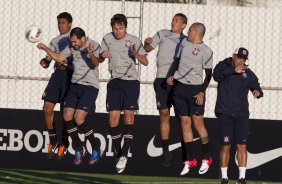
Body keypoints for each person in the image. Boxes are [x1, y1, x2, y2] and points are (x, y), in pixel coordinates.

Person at [37, 27, 102, 166]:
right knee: (67, 115)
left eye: (75, 42)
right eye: (71, 42)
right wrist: (45, 49)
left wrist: (90, 53)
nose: (73, 44)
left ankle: (96, 148)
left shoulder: (93, 45)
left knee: (78, 118)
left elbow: (96, 63)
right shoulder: (73, 47)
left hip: (90, 86)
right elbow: (60, 58)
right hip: (74, 85)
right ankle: (79, 148)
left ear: (83, 38)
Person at [99, 13, 148, 174]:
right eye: (115, 28)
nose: (118, 31)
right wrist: (101, 55)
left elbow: (145, 61)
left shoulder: (134, 40)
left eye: (121, 28)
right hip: (114, 82)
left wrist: (135, 54)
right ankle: (118, 153)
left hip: (131, 81)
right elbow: (99, 59)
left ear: (125, 27)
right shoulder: (107, 38)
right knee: (112, 117)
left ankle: (124, 155)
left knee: (128, 115)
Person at [167, 22, 213, 175]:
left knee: (198, 123)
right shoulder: (184, 44)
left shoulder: (207, 51)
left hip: (195, 90)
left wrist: (201, 92)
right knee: (184, 123)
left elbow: (208, 75)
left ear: (197, 33)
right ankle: (190, 160)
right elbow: (176, 61)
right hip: (180, 88)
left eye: (191, 30)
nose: (188, 31)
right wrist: (170, 75)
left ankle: (206, 157)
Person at [213, 47, 263, 184]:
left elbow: (255, 84)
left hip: (242, 114)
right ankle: (224, 177)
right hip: (225, 112)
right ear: (233, 56)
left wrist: (257, 91)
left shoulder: (248, 72)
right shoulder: (223, 66)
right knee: (226, 145)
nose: (241, 61)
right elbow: (216, 76)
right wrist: (232, 71)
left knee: (242, 146)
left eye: (244, 59)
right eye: (239, 58)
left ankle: (241, 178)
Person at [144, 13, 187, 167]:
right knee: (164, 114)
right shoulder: (163, 33)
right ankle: (166, 150)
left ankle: (185, 151)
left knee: (181, 117)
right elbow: (147, 49)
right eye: (172, 19)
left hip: (177, 81)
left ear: (183, 25)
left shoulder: (186, 40)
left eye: (177, 20)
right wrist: (146, 43)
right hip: (161, 79)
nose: (173, 22)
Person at [39, 12, 73, 160]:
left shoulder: (74, 37)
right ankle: (53, 140)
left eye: (63, 22)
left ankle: (64, 142)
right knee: (47, 108)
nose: (61, 25)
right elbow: (49, 59)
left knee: (65, 112)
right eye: (59, 22)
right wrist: (45, 62)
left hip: (70, 75)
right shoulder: (54, 40)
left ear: (70, 24)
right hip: (57, 75)